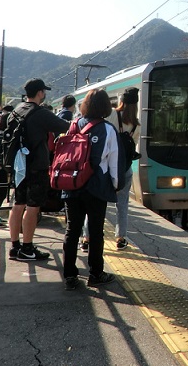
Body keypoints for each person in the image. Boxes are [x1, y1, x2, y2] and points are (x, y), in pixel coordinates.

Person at [62, 88, 120, 290]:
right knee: (96, 232)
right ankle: (96, 273)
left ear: (85, 105)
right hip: (96, 186)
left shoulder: (74, 124)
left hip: (71, 184)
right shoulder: (108, 129)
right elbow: (113, 162)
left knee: (72, 229)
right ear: (106, 106)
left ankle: (69, 274)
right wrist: (114, 185)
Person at [9, 78, 70, 261]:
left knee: (18, 204)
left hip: (19, 165)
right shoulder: (41, 113)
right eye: (44, 92)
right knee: (33, 207)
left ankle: (15, 246)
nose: (44, 95)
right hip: (36, 165)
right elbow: (66, 127)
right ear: (40, 93)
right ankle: (27, 248)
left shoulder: (16, 110)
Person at [111, 88, 138, 249]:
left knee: (97, 203)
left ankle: (87, 238)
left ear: (122, 100)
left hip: (109, 167)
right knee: (122, 204)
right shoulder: (136, 124)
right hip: (126, 169)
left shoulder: (113, 115)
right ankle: (121, 238)